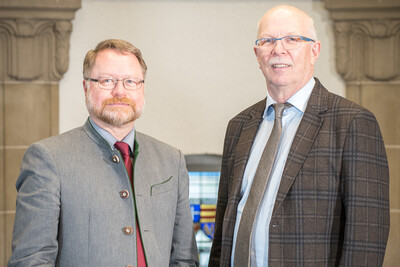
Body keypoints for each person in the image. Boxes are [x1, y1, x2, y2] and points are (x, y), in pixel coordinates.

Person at [209, 5, 389, 267]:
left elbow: (366, 237)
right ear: (257, 54)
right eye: (267, 40)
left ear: (314, 50)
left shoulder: (352, 122)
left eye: (292, 39)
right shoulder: (238, 126)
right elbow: (224, 227)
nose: (278, 50)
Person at [8, 39, 198, 267]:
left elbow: (184, 259)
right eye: (107, 80)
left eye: (130, 81)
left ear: (142, 88)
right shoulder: (48, 158)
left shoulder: (171, 160)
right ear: (86, 86)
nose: (119, 91)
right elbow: (31, 260)